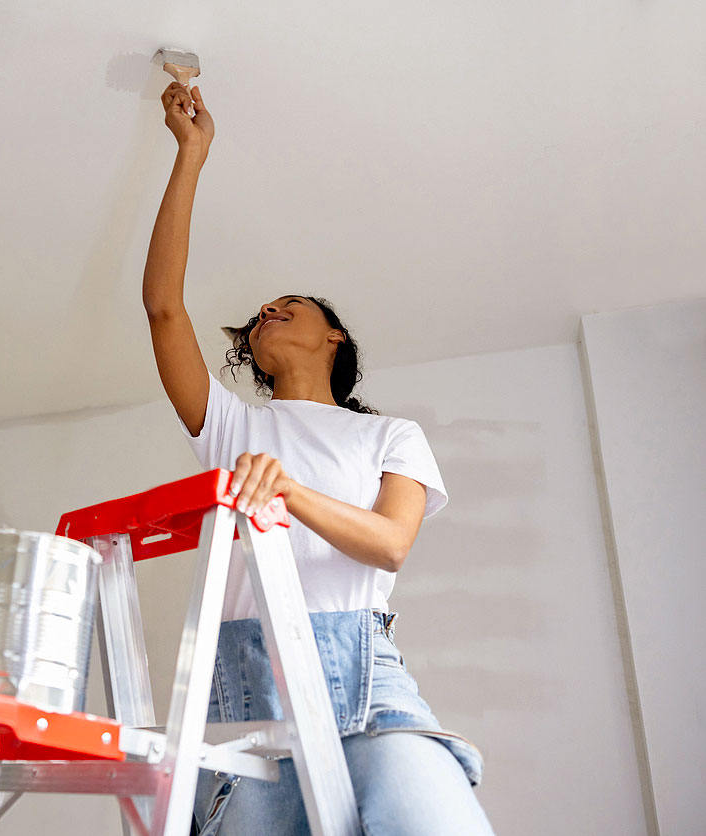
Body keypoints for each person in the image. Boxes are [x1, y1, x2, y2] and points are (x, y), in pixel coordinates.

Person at [142, 80, 497, 835]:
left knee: (434, 818)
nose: (267, 310)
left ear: (334, 337)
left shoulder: (388, 436)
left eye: (288, 306)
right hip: (249, 707)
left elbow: (390, 544)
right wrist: (191, 156)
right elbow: (162, 307)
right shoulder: (229, 426)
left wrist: (289, 493)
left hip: (366, 685)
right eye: (259, 313)